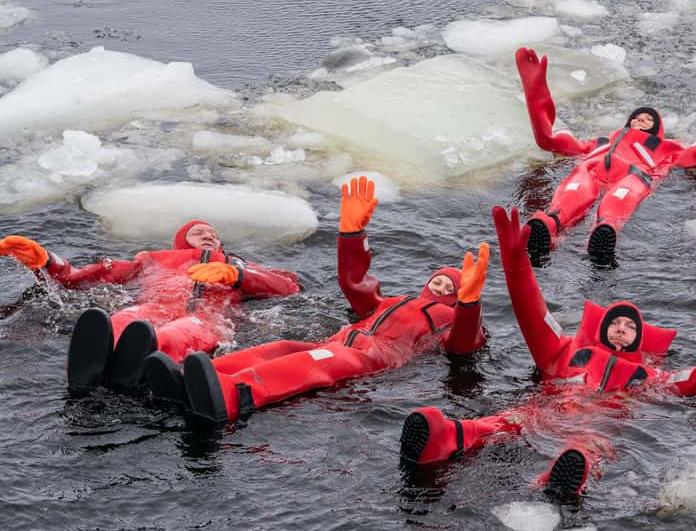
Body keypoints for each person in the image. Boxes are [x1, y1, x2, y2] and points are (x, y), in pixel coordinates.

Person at [398, 205, 696, 497]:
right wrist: (516, 263)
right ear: (600, 328)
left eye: (630, 326)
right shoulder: (563, 352)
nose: (621, 328)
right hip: (545, 410)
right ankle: (444, 435)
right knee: (505, 422)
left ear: (640, 340)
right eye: (615, 322)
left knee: (586, 451)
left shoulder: (652, 377)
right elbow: (534, 313)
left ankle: (564, 477)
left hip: (597, 427)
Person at [144, 176, 490, 425]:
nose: (443, 287)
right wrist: (352, 234)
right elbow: (356, 285)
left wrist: (471, 303)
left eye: (452, 287)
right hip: (343, 340)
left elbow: (464, 345)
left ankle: (236, 394)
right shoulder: (396, 301)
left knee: (313, 362)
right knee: (281, 348)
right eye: (439, 281)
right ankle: (198, 375)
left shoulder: (450, 320)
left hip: (371, 358)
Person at [513, 46, 696, 266]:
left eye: (648, 119)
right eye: (636, 117)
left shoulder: (669, 148)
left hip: (634, 176)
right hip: (589, 170)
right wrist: (534, 91)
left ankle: (604, 233)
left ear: (657, 128)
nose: (640, 120)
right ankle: (547, 227)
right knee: (566, 202)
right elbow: (548, 140)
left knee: (616, 204)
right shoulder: (600, 142)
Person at [0, 221, 301, 393]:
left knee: (178, 333)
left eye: (214, 233)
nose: (209, 235)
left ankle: (138, 364)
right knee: (121, 319)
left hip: (203, 317)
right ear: (180, 242)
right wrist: (47, 261)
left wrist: (239, 276)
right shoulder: (151, 259)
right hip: (152, 307)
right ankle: (86, 368)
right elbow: (85, 276)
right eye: (199, 233)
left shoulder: (236, 264)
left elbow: (288, 285)